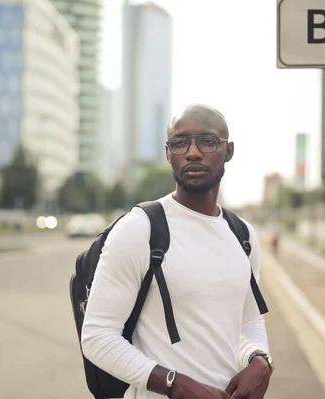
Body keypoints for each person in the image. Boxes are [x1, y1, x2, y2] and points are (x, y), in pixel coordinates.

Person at [81, 104, 273, 399]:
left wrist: (260, 359)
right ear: (168, 153)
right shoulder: (140, 229)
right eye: (180, 143)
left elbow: (248, 322)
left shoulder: (243, 235)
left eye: (207, 142)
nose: (193, 153)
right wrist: (174, 384)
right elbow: (97, 335)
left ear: (229, 151)